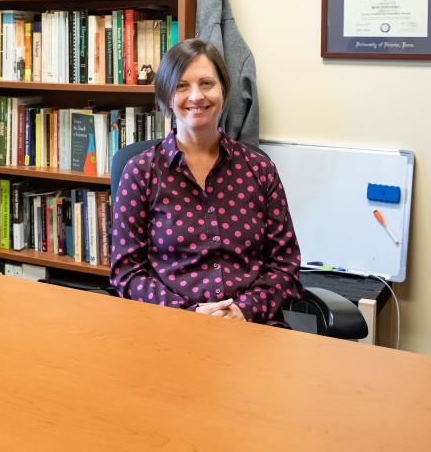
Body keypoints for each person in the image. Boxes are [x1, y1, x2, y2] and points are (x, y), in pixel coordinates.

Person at [110, 38, 304, 325]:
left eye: (206, 83)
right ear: (166, 97)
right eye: (181, 86)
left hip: (253, 328)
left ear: (223, 89)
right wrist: (189, 314)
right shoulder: (141, 172)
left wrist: (244, 310)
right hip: (171, 327)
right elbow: (127, 272)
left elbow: (285, 265)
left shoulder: (260, 169)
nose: (196, 96)